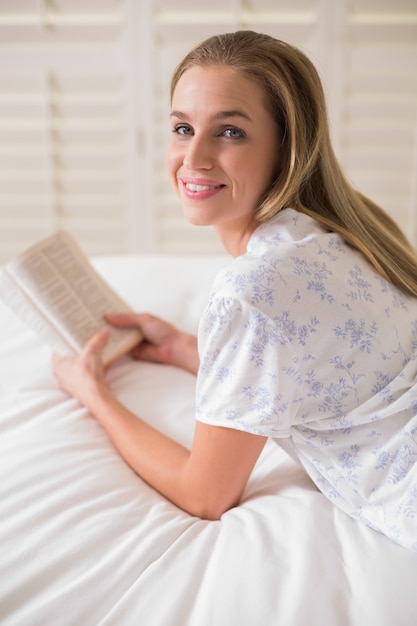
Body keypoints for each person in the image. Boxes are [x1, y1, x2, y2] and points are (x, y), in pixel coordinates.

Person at [52, 30, 417, 551]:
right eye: (182, 127)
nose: (193, 157)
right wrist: (184, 348)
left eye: (230, 132)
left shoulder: (252, 293)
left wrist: (94, 394)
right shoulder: (356, 228)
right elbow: (314, 366)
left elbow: (205, 496)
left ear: (287, 146)